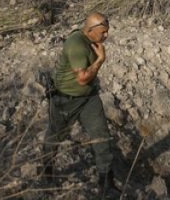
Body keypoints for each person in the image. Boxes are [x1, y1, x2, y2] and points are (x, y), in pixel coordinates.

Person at [43, 12, 120, 198]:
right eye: (103, 32)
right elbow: (83, 78)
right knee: (55, 135)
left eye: (107, 32)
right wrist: (100, 60)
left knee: (102, 136)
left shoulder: (92, 40)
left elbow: (86, 84)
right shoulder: (76, 44)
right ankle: (47, 172)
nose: (106, 36)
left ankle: (106, 182)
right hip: (65, 99)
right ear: (91, 30)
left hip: (88, 98)